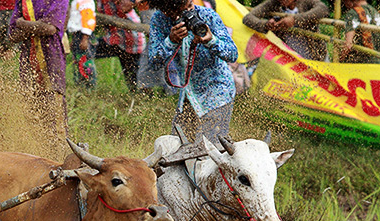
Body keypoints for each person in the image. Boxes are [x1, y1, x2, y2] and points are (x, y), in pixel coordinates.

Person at [148, 0, 238, 144]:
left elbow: (232, 54)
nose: (191, 11)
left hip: (217, 94)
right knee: (177, 149)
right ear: (168, 12)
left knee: (209, 151)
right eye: (186, 9)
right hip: (188, 95)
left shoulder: (208, 16)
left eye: (191, 4)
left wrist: (211, 41)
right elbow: (153, 62)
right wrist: (170, 41)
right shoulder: (160, 20)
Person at [8, 0, 69, 136]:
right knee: (31, 108)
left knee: (54, 108)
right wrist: (36, 27)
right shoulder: (23, 1)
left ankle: (57, 150)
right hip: (28, 61)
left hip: (51, 60)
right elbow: (12, 35)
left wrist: (22, 23)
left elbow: (50, 28)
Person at [242, 0, 328, 60]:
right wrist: (266, 24)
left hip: (315, 54)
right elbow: (248, 18)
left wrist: (295, 19)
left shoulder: (306, 1)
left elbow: (323, 9)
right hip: (290, 58)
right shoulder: (273, 3)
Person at [95, 0, 146, 93]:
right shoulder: (100, 2)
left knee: (133, 73)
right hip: (114, 37)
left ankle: (142, 97)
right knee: (89, 49)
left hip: (130, 37)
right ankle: (86, 84)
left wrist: (132, 2)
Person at [66, 0, 97, 88]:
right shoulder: (76, 1)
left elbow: (88, 18)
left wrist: (85, 38)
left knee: (85, 61)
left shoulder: (85, 1)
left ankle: (89, 86)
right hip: (77, 34)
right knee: (78, 61)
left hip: (84, 35)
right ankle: (80, 85)